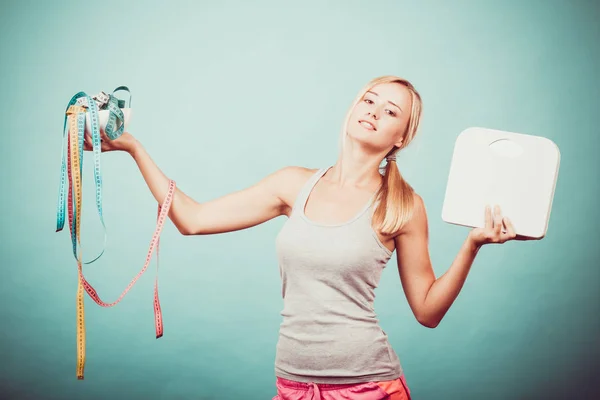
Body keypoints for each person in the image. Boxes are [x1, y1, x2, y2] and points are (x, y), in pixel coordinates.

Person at [84, 75, 528, 400]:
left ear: (401, 137)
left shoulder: (403, 205)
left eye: (391, 111)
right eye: (369, 100)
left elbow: (428, 312)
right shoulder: (292, 185)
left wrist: (472, 245)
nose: (374, 111)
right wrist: (133, 148)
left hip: (368, 386)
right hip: (292, 384)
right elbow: (192, 219)